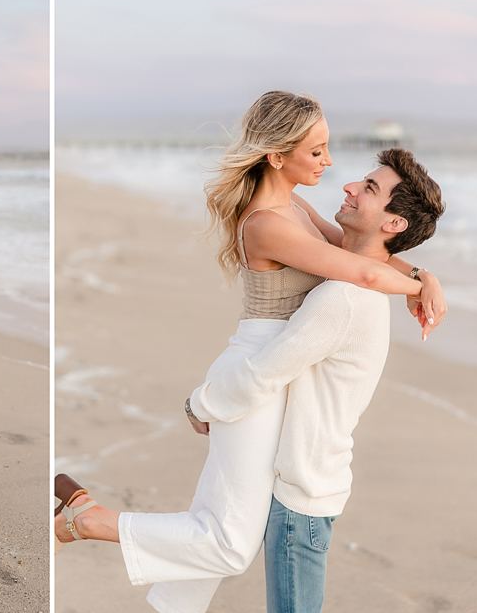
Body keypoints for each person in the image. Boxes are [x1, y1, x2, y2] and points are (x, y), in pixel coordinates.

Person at [54, 91, 447, 613]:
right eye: (317, 151)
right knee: (229, 542)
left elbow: (358, 255)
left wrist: (423, 274)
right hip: (259, 369)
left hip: (282, 365)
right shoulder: (267, 222)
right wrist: (422, 287)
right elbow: (364, 272)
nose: (331, 165)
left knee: (221, 530)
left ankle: (148, 582)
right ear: (277, 155)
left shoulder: (297, 207)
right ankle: (90, 520)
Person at [184, 148, 445, 611]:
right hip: (311, 485)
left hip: (301, 494)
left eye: (369, 188)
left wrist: (200, 404)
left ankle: (89, 521)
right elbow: (355, 256)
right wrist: (425, 278)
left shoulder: (342, 298)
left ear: (393, 224)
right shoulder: (348, 277)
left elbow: (265, 373)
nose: (348, 185)